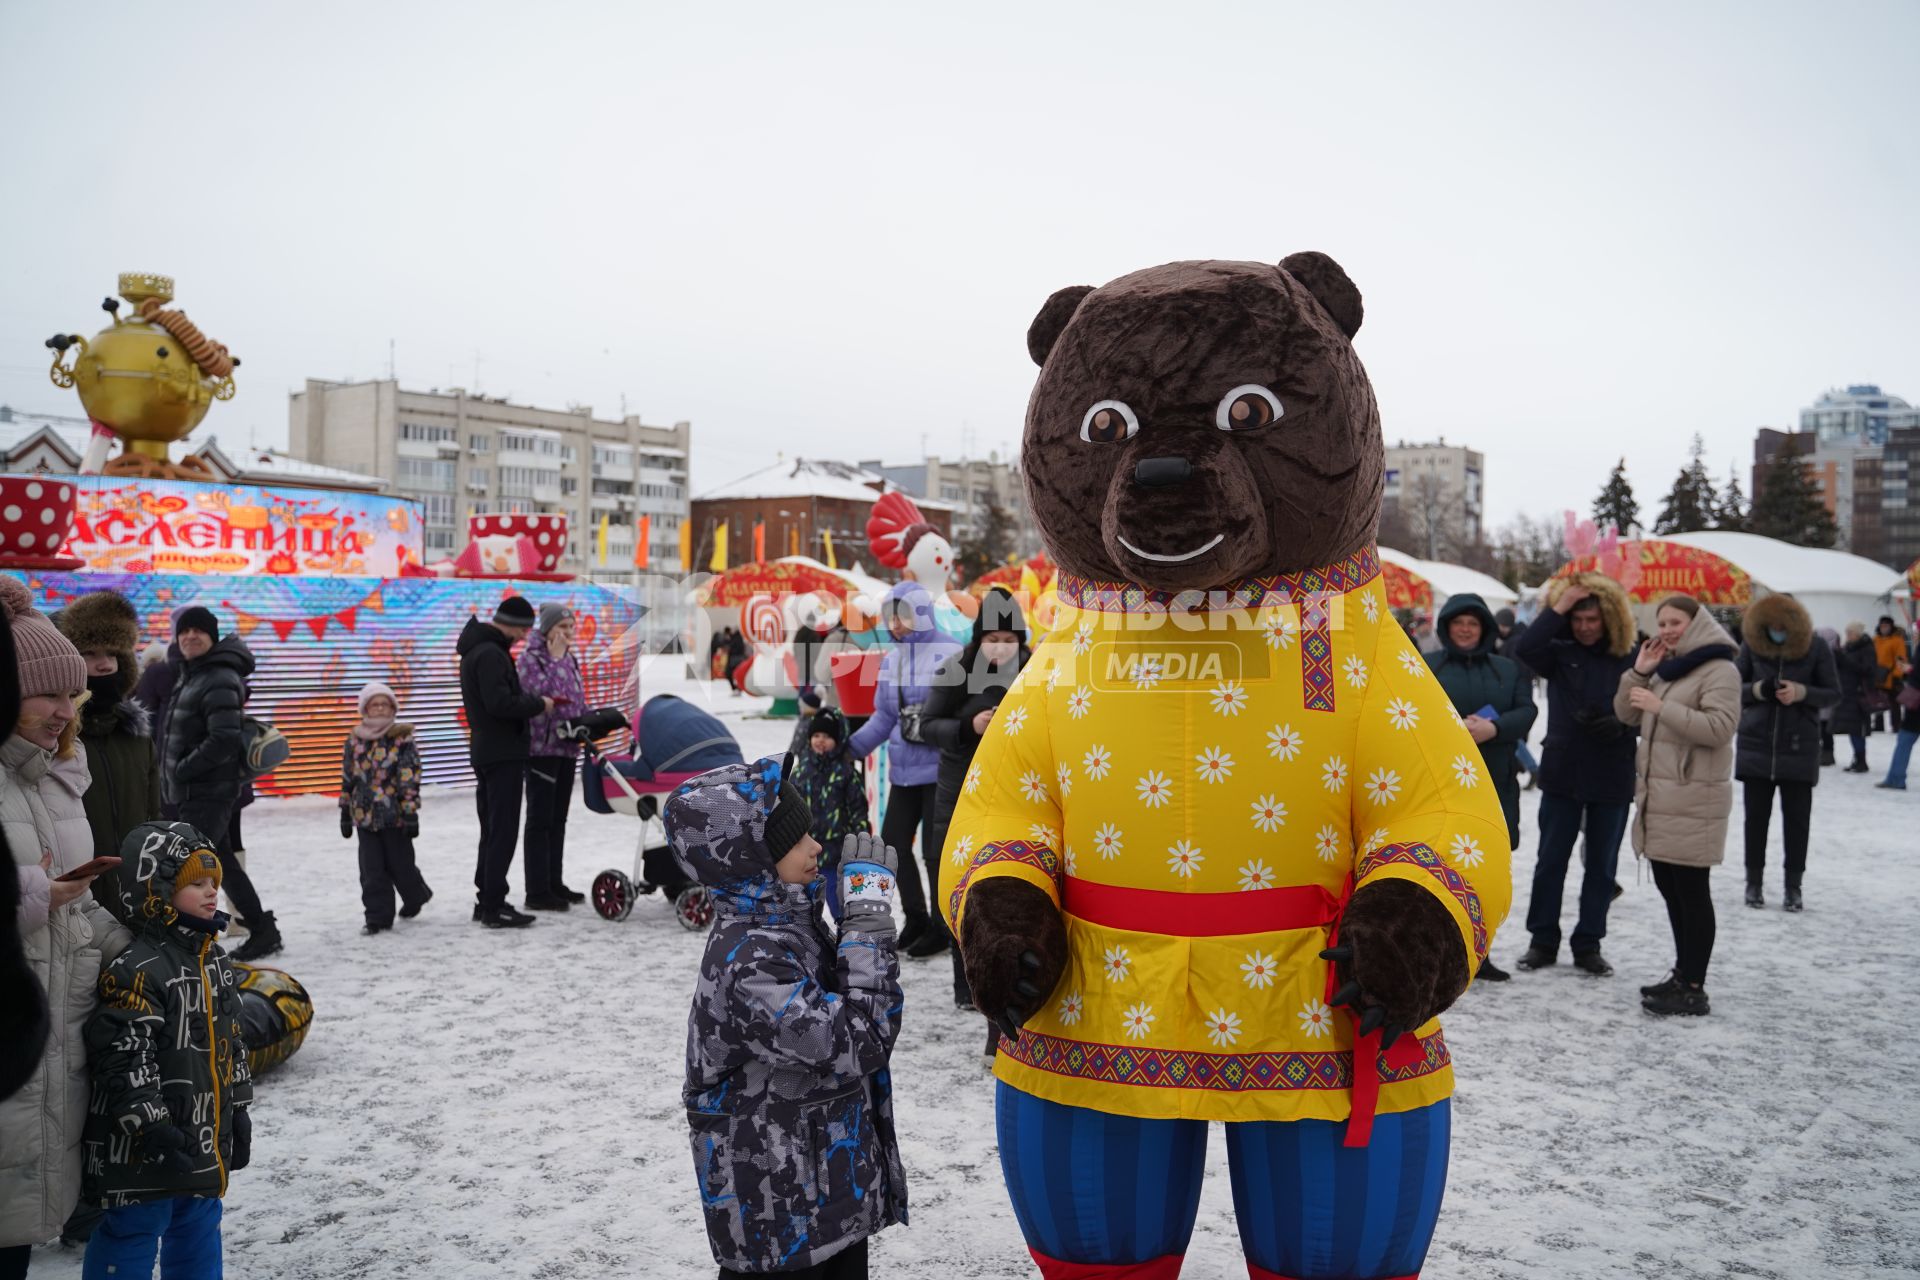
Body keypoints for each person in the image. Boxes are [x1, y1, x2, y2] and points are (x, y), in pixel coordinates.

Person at [665, 758, 906, 1280]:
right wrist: (865, 931)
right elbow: (859, 1039)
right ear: (750, 862)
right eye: (797, 840)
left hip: (820, 1197)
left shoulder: (789, 926)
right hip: (780, 1221)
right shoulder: (749, 960)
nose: (816, 847)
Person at [0, 578, 129, 1274]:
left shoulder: (53, 778)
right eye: (46, 694)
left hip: (50, 1042)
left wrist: (150, 950)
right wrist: (32, 895)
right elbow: (44, 896)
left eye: (69, 694)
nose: (63, 710)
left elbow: (74, 903)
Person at [80, 822, 253, 1280]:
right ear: (155, 892)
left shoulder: (214, 960)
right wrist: (150, 1127)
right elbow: (124, 1056)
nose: (211, 892)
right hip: (140, 1148)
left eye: (214, 882)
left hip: (201, 1137)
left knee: (198, 1226)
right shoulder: (137, 969)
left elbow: (230, 1037)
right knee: (135, 1230)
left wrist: (238, 1106)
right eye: (196, 883)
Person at [1614, 595, 1740, 1016]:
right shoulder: (1669, 669)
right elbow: (1625, 715)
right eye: (1662, 623)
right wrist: (1639, 674)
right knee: (1671, 888)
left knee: (1692, 892)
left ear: (1697, 622)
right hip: (1662, 797)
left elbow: (1720, 729)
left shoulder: (1720, 669)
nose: (1667, 630)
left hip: (1693, 798)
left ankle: (1693, 986)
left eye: (1676, 622)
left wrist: (1660, 705)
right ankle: (1683, 972)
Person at [1509, 575, 1640, 976]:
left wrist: (1623, 726)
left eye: (1593, 619)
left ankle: (1589, 943)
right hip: (1563, 770)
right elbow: (1525, 647)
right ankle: (1542, 940)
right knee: (1550, 861)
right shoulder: (1559, 650)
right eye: (1578, 618)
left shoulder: (1629, 655)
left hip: (1612, 770)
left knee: (1601, 865)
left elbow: (1648, 705)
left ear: (1610, 619)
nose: (1584, 626)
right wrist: (1559, 606)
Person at [919, 587, 1029, 1017]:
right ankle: (963, 981)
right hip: (958, 790)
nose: (1000, 648)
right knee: (953, 876)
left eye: (1008, 640)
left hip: (1015, 794)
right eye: (991, 639)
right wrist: (969, 725)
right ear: (978, 639)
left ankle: (1006, 975)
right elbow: (928, 725)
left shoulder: (1035, 669)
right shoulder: (958, 670)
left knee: (1002, 883)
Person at [1425, 592, 1537, 983]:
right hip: (1442, 788)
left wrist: (1495, 728)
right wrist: (1453, 731)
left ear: (1485, 628)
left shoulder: (1506, 669)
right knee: (1440, 871)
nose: (1466, 630)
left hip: (1497, 784)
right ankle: (1435, 955)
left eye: (1473, 623)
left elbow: (1527, 709)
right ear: (1447, 628)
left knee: (1487, 874)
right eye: (1459, 623)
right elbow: (1409, 711)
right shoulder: (1428, 666)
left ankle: (1481, 954)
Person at [159, 606, 281, 962]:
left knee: (194, 865)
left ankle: (198, 935)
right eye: (184, 632)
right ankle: (261, 929)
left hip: (207, 789)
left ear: (212, 637)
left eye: (198, 631)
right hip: (198, 789)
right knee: (220, 862)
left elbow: (224, 738)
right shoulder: (194, 672)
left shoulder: (218, 676)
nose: (190, 637)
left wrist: (182, 769)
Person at [846, 580, 961, 953]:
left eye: (903, 615)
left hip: (941, 768)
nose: (895, 624)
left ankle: (944, 928)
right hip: (904, 771)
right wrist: (849, 749)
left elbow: (962, 712)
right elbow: (884, 717)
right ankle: (917, 918)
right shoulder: (892, 658)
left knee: (935, 851)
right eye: (891, 616)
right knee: (893, 844)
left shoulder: (952, 652)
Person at [54, 591, 161, 925]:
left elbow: (153, 814)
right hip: (73, 905)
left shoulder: (136, 734)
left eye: (113, 653)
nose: (105, 664)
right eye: (90, 653)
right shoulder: (52, 738)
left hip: (138, 897)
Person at [1734, 596, 1839, 912]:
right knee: (1756, 820)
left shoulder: (1816, 647)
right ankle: (1753, 881)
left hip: (1798, 746)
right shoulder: (1752, 644)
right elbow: (1730, 686)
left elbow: (1833, 692)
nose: (1777, 630)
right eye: (1773, 625)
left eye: (1784, 625)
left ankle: (1794, 886)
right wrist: (1758, 690)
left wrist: (1801, 692)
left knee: (1797, 822)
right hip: (1757, 744)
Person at [458, 595, 552, 928]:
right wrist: (537, 703)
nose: (524, 638)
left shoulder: (479, 650)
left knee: (492, 829)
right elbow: (500, 703)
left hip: (487, 749)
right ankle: (493, 905)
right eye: (524, 631)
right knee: (502, 830)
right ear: (512, 625)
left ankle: (486, 900)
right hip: (502, 752)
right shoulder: (490, 654)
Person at [340, 682, 430, 934]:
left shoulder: (401, 737)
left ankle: (416, 895)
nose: (379, 708)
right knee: (371, 870)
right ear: (364, 708)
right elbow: (348, 775)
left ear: (393, 708)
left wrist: (410, 810)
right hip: (364, 815)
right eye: (374, 703)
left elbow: (409, 775)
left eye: (384, 703)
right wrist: (345, 810)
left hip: (395, 815)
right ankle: (377, 918)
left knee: (401, 866)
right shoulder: (355, 738)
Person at [519, 604, 587, 910]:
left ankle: (554, 882)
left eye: (571, 628)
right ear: (547, 629)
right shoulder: (531, 659)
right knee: (540, 819)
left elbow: (576, 694)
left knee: (558, 818)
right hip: (542, 748)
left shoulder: (570, 657)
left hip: (567, 746)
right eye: (563, 627)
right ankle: (536, 890)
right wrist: (557, 658)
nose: (568, 634)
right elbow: (537, 695)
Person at [789, 707, 870, 919]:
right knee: (804, 907)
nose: (820, 740)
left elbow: (858, 811)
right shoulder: (800, 772)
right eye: (816, 735)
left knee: (839, 905)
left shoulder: (846, 773)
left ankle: (846, 939)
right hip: (806, 853)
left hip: (836, 854)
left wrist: (861, 843)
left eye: (827, 736)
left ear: (839, 739)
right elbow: (789, 809)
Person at [1833, 622, 1881, 774]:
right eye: (1847, 633)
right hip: (1848, 693)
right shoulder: (1848, 648)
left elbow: (1866, 669)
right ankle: (1857, 758)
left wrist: (1844, 660)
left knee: (1858, 729)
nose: (1848, 636)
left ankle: (1861, 760)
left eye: (1850, 633)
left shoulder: (1866, 649)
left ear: (1858, 634)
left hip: (1859, 694)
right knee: (1851, 728)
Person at [1872, 617, 1908, 732]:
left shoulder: (1897, 640)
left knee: (1894, 702)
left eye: (1886, 625)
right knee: (1878, 700)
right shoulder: (1875, 640)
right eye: (1882, 625)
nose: (1884, 628)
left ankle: (1896, 725)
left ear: (1891, 626)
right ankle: (1878, 724)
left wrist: (1897, 673)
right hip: (1877, 674)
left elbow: (1901, 658)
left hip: (1891, 675)